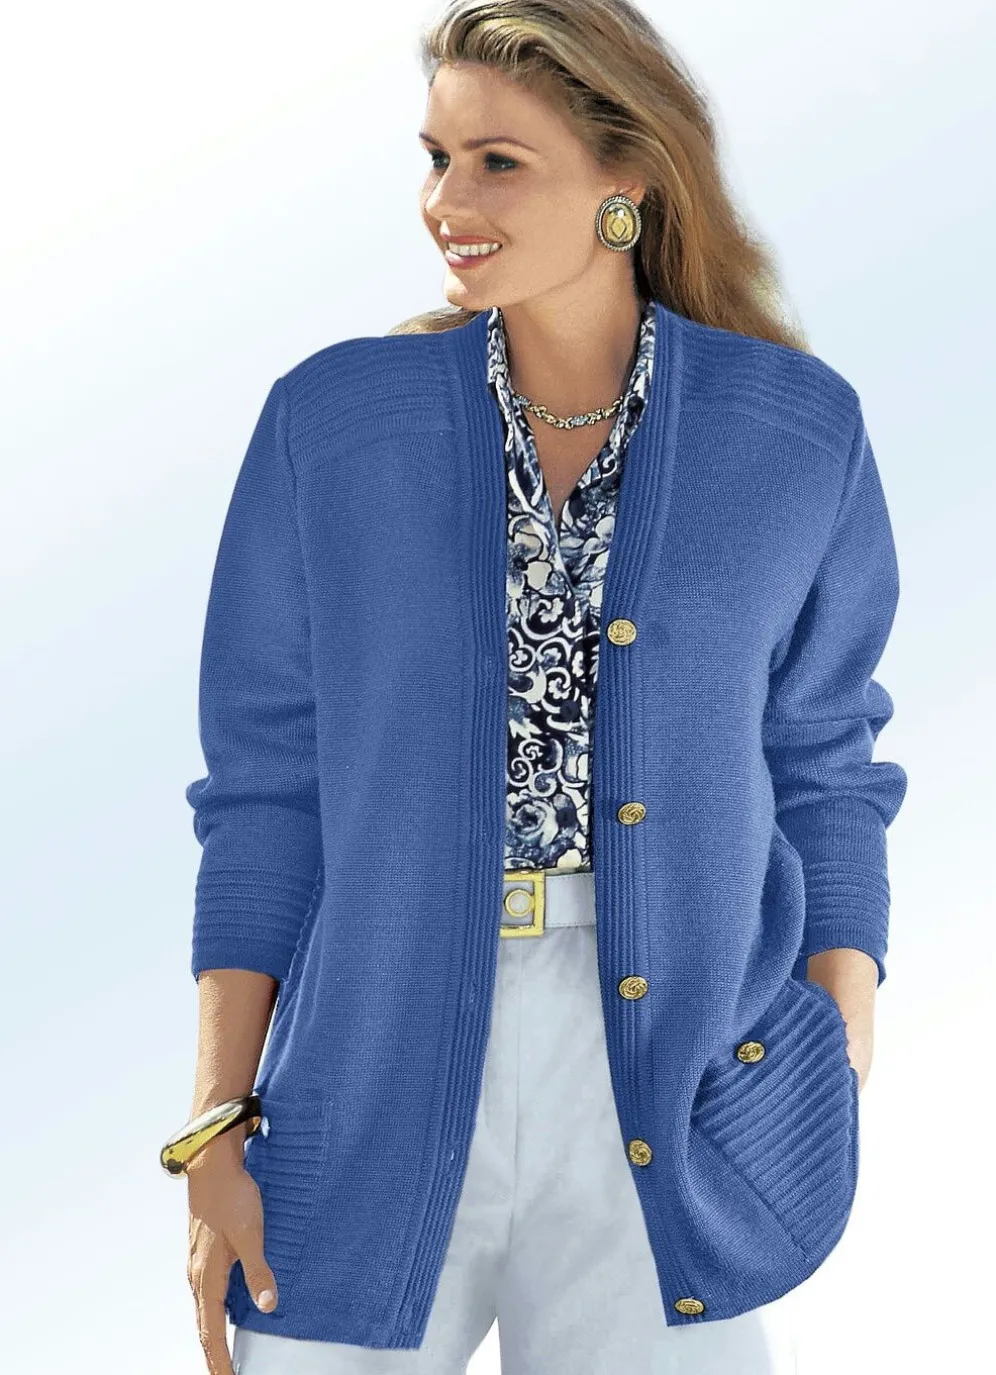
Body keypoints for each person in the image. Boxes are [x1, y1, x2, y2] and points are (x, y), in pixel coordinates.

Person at [168, 2, 908, 1372]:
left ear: (629, 182)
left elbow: (825, 764)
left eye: (498, 162)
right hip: (365, 1066)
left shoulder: (797, 434)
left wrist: (838, 1045)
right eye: (436, 158)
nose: (447, 203)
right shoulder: (332, 425)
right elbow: (265, 792)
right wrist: (217, 1123)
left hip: (677, 1081)